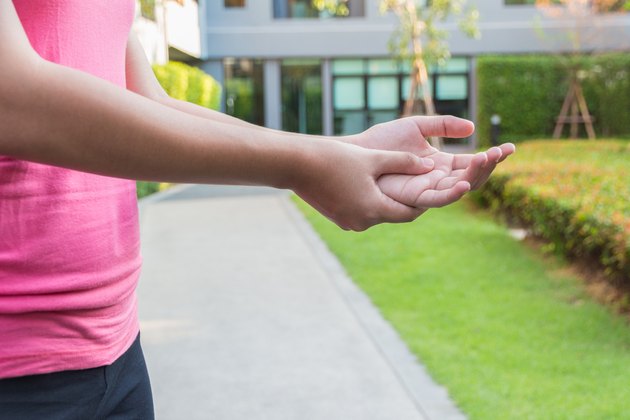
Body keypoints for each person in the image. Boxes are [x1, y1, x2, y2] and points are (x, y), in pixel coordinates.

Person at [0, 0, 514, 418]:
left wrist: (340, 150)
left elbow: (143, 99)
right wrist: (301, 167)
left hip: (113, 347)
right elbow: (13, 98)